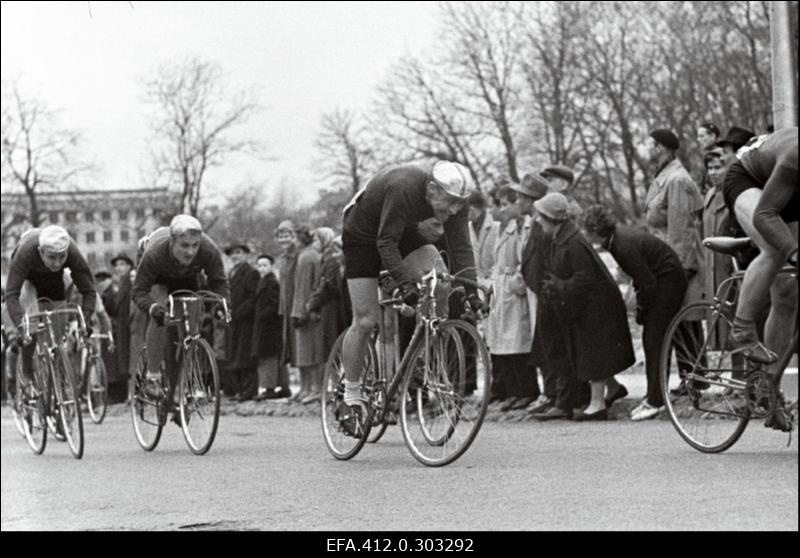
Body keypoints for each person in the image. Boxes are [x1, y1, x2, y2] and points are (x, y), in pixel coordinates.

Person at [339, 160, 480, 434]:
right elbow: (384, 242)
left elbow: (462, 246)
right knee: (367, 320)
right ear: (431, 189)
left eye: (459, 205)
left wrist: (472, 292)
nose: (452, 211)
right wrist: (405, 283)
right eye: (449, 202)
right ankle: (351, 394)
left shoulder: (455, 203)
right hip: (362, 234)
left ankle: (423, 357)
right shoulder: (403, 186)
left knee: (440, 280)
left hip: (401, 231)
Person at [530, 194, 635, 421]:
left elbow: (585, 278)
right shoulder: (563, 238)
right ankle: (614, 389)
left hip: (598, 307)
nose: (537, 220)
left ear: (551, 218)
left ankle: (597, 406)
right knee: (589, 351)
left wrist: (558, 285)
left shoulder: (573, 243)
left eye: (541, 216)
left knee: (593, 352)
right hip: (591, 305)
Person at [583, 206, 688, 420]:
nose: (584, 234)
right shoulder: (616, 239)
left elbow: (646, 283)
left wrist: (642, 311)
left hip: (668, 283)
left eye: (586, 230)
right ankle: (655, 396)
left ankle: (656, 401)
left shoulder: (621, 245)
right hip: (665, 281)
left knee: (654, 341)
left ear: (595, 230)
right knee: (655, 340)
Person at [131, 215, 229, 417]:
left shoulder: (208, 250)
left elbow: (219, 281)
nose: (190, 251)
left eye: (194, 246)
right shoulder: (156, 253)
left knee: (192, 329)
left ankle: (184, 386)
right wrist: (153, 309)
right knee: (161, 309)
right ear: (172, 241)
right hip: (158, 279)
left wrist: (221, 304)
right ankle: (153, 376)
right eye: (184, 246)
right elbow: (138, 291)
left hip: (187, 278)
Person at [722, 127, 798, 372]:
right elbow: (765, 214)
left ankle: (769, 390)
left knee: (787, 294)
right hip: (748, 179)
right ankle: (742, 328)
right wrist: (793, 252)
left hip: (788, 192)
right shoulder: (795, 154)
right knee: (775, 249)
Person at [5, 226, 97, 394]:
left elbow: (89, 291)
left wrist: (86, 320)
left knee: (58, 336)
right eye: (52, 257)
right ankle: (27, 371)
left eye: (62, 257)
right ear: (40, 252)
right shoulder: (25, 252)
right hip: (28, 281)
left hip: (54, 281)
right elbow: (11, 294)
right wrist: (21, 326)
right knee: (32, 323)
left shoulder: (72, 252)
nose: (57, 262)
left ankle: (57, 379)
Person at [486, 179, 542, 411]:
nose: (500, 209)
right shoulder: (503, 229)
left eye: (505, 204)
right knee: (504, 345)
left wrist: (513, 284)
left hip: (513, 292)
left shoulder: (523, 227)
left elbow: (523, 260)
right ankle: (512, 391)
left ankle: (526, 391)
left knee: (519, 344)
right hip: (502, 292)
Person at [306, 227, 346, 382]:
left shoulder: (330, 260)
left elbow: (327, 286)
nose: (314, 243)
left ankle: (337, 385)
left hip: (332, 309)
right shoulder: (325, 258)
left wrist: (312, 303)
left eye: (317, 239)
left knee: (332, 348)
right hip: (326, 307)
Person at [291, 225, 324, 404]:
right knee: (305, 352)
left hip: (305, 309)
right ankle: (307, 388)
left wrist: (301, 311)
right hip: (307, 307)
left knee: (309, 352)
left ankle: (313, 388)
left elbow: (304, 287)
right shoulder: (307, 255)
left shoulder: (307, 257)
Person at [224, 242, 260, 401]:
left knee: (245, 356)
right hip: (234, 320)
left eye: (238, 252)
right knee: (234, 355)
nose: (235, 256)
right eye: (232, 253)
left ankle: (249, 390)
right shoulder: (232, 272)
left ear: (246, 255)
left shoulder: (251, 273)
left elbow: (253, 298)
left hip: (247, 321)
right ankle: (238, 389)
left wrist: (238, 313)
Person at [251, 254, 287, 401]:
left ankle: (269, 388)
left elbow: (274, 304)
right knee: (271, 356)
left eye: (265, 265)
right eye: (259, 266)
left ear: (271, 266)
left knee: (268, 357)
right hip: (266, 325)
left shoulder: (271, 283)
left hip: (269, 326)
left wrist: (262, 316)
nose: (261, 268)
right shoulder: (265, 281)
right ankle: (281, 386)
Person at [274, 220, 299, 399]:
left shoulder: (297, 255)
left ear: (293, 236)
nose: (284, 239)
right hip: (285, 305)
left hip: (296, 303)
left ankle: (309, 387)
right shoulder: (282, 258)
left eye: (287, 235)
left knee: (299, 346)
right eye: (281, 236)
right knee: (289, 346)